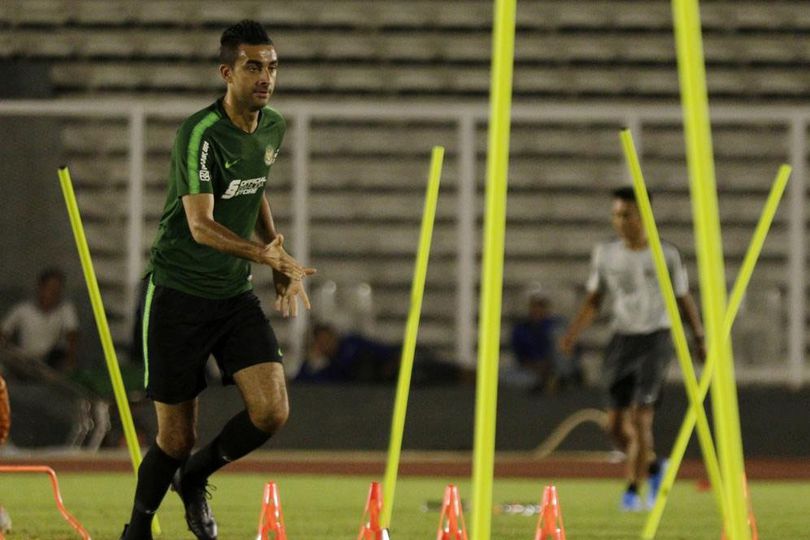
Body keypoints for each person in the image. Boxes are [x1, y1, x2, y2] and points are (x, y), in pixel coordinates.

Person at [120, 20, 315, 540]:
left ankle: (197, 478)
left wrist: (273, 247)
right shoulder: (199, 133)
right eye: (254, 67)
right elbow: (201, 226)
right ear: (227, 72)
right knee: (174, 438)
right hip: (178, 296)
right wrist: (266, 258)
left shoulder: (272, 125)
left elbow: (255, 187)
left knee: (272, 411)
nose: (266, 78)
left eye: (272, 67)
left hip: (231, 296)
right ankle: (137, 527)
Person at [560, 186, 705, 512]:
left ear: (644, 216)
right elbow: (595, 299)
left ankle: (632, 490)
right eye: (616, 214)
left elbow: (683, 298)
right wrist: (573, 333)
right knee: (613, 426)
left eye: (626, 214)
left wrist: (699, 337)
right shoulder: (606, 254)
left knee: (641, 419)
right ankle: (654, 467)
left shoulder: (667, 254)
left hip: (656, 337)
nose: (620, 221)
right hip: (621, 339)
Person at [0, 267, 79, 373]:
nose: (55, 292)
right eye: (51, 288)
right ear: (41, 287)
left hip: (50, 364)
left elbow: (72, 337)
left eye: (58, 289)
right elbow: (4, 333)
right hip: (24, 361)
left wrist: (70, 363)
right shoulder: (22, 309)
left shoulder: (66, 309)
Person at [511, 290, 579, 393]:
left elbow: (566, 349)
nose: (537, 310)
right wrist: (536, 366)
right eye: (534, 306)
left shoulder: (555, 325)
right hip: (531, 370)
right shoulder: (520, 330)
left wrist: (550, 365)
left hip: (553, 367)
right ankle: (542, 384)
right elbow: (521, 358)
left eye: (541, 306)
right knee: (506, 374)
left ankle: (561, 379)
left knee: (560, 330)